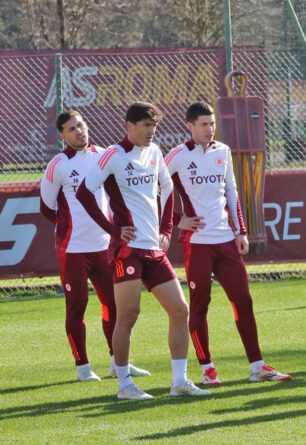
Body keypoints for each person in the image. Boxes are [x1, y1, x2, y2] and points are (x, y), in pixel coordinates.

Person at [77, 102, 209, 400]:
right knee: (128, 315)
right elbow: (84, 192)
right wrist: (112, 230)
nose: (151, 132)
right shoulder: (113, 155)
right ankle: (124, 385)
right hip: (127, 250)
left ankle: (179, 381)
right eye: (146, 126)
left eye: (154, 126)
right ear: (130, 127)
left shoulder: (155, 152)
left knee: (180, 310)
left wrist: (165, 230)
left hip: (153, 248)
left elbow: (168, 188)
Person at [166, 102, 292, 385]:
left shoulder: (222, 151)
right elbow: (154, 190)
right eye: (203, 124)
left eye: (212, 124)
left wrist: (241, 231)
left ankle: (257, 366)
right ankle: (207, 368)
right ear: (189, 126)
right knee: (200, 305)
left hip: (226, 241)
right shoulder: (177, 155)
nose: (209, 129)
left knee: (243, 301)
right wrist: (177, 220)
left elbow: (232, 192)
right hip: (197, 243)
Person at [39, 110, 149, 382]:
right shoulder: (58, 164)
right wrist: (67, 228)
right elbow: (46, 207)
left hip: (105, 247)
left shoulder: (104, 155)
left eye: (81, 125)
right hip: (73, 250)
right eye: (71, 129)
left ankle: (117, 362)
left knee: (113, 305)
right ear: (62, 135)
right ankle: (82, 367)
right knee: (77, 306)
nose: (79, 131)